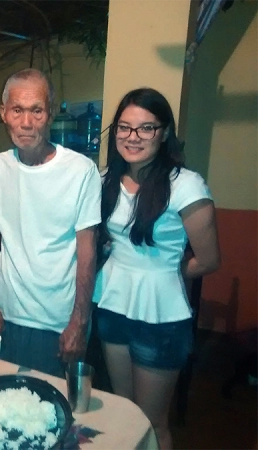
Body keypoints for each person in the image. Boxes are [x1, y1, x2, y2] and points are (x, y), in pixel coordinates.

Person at [93, 88, 220, 450]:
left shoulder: (186, 185)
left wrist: (164, 276)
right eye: (124, 127)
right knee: (124, 410)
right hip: (113, 304)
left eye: (145, 128)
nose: (133, 137)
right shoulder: (106, 179)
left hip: (161, 315)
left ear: (164, 133)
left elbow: (209, 260)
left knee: (152, 422)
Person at [0, 68, 101, 376]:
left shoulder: (81, 171)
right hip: (5, 317)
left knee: (48, 415)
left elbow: (87, 252)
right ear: (3, 113)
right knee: (1, 404)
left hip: (57, 322)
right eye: (17, 110)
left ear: (51, 113)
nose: (26, 123)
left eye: (36, 111)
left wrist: (79, 321)